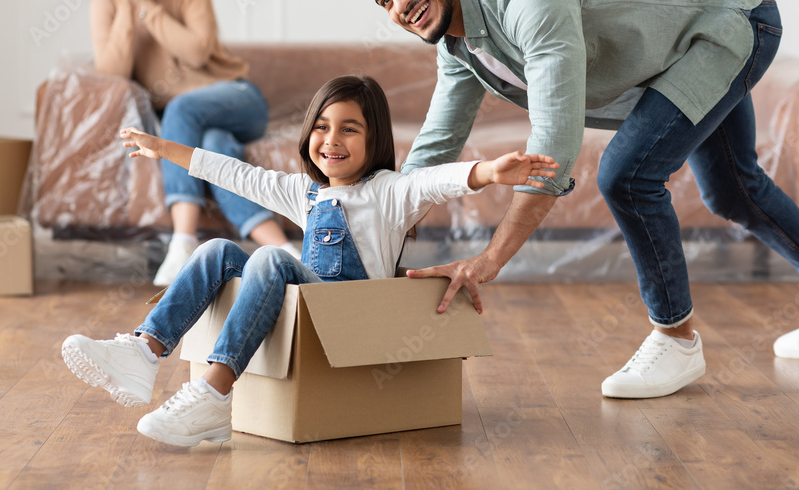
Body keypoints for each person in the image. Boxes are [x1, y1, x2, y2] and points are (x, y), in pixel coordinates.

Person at [350, 0, 799, 400]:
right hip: (677, 40)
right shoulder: (460, 45)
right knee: (731, 187)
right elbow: (435, 146)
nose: (400, 3)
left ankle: (676, 339)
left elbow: (552, 146)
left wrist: (488, 260)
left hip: (729, 15)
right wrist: (373, 230)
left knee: (627, 176)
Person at [61, 75, 559, 446]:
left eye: (349, 129)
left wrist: (489, 170)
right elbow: (236, 175)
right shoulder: (304, 193)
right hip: (309, 305)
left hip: (349, 314)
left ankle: (215, 392)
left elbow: (437, 181)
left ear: (373, 139)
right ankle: (144, 351)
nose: (332, 140)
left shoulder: (388, 192)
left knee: (272, 261)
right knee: (215, 250)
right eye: (322, 127)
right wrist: (164, 149)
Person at [90, 0, 298, 286]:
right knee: (216, 147)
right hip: (187, 122)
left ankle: (182, 240)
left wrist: (141, 4)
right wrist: (122, 6)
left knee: (182, 109)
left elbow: (197, 50)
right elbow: (113, 75)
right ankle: (287, 252)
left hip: (237, 97)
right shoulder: (104, 3)